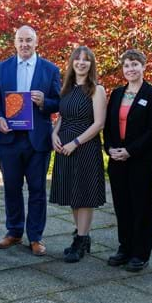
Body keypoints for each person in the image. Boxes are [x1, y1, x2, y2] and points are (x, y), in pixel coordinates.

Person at [0, 25, 61, 256]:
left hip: (37, 140)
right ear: (14, 42)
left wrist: (44, 102)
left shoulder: (50, 69)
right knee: (11, 188)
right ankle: (14, 232)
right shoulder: (3, 67)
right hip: (9, 139)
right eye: (20, 40)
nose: (24, 44)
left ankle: (36, 237)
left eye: (29, 40)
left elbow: (59, 102)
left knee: (37, 190)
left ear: (36, 42)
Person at [103, 49, 152, 271]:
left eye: (135, 64)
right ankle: (124, 248)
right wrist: (110, 148)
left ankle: (140, 253)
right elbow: (108, 126)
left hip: (141, 161)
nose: (130, 69)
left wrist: (130, 150)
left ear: (144, 66)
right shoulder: (117, 93)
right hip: (117, 160)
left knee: (141, 207)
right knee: (122, 206)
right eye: (127, 65)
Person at [50, 46, 106, 263]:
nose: (81, 63)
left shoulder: (96, 90)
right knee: (73, 196)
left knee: (84, 196)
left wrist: (75, 142)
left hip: (85, 148)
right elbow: (63, 116)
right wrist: (54, 133)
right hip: (64, 148)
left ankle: (80, 240)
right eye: (78, 59)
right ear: (72, 63)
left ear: (91, 65)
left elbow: (99, 123)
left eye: (86, 60)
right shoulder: (67, 88)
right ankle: (81, 235)